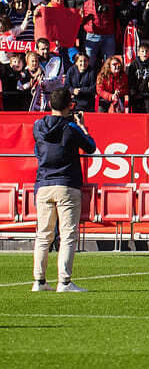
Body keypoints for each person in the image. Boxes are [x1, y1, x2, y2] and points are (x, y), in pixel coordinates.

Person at [31, 87, 97, 292]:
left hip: (43, 183)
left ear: (50, 104)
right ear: (70, 105)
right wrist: (82, 126)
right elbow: (91, 146)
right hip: (66, 183)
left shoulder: (38, 126)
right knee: (68, 234)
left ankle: (39, 281)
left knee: (43, 234)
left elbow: (37, 148)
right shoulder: (70, 128)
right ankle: (64, 282)